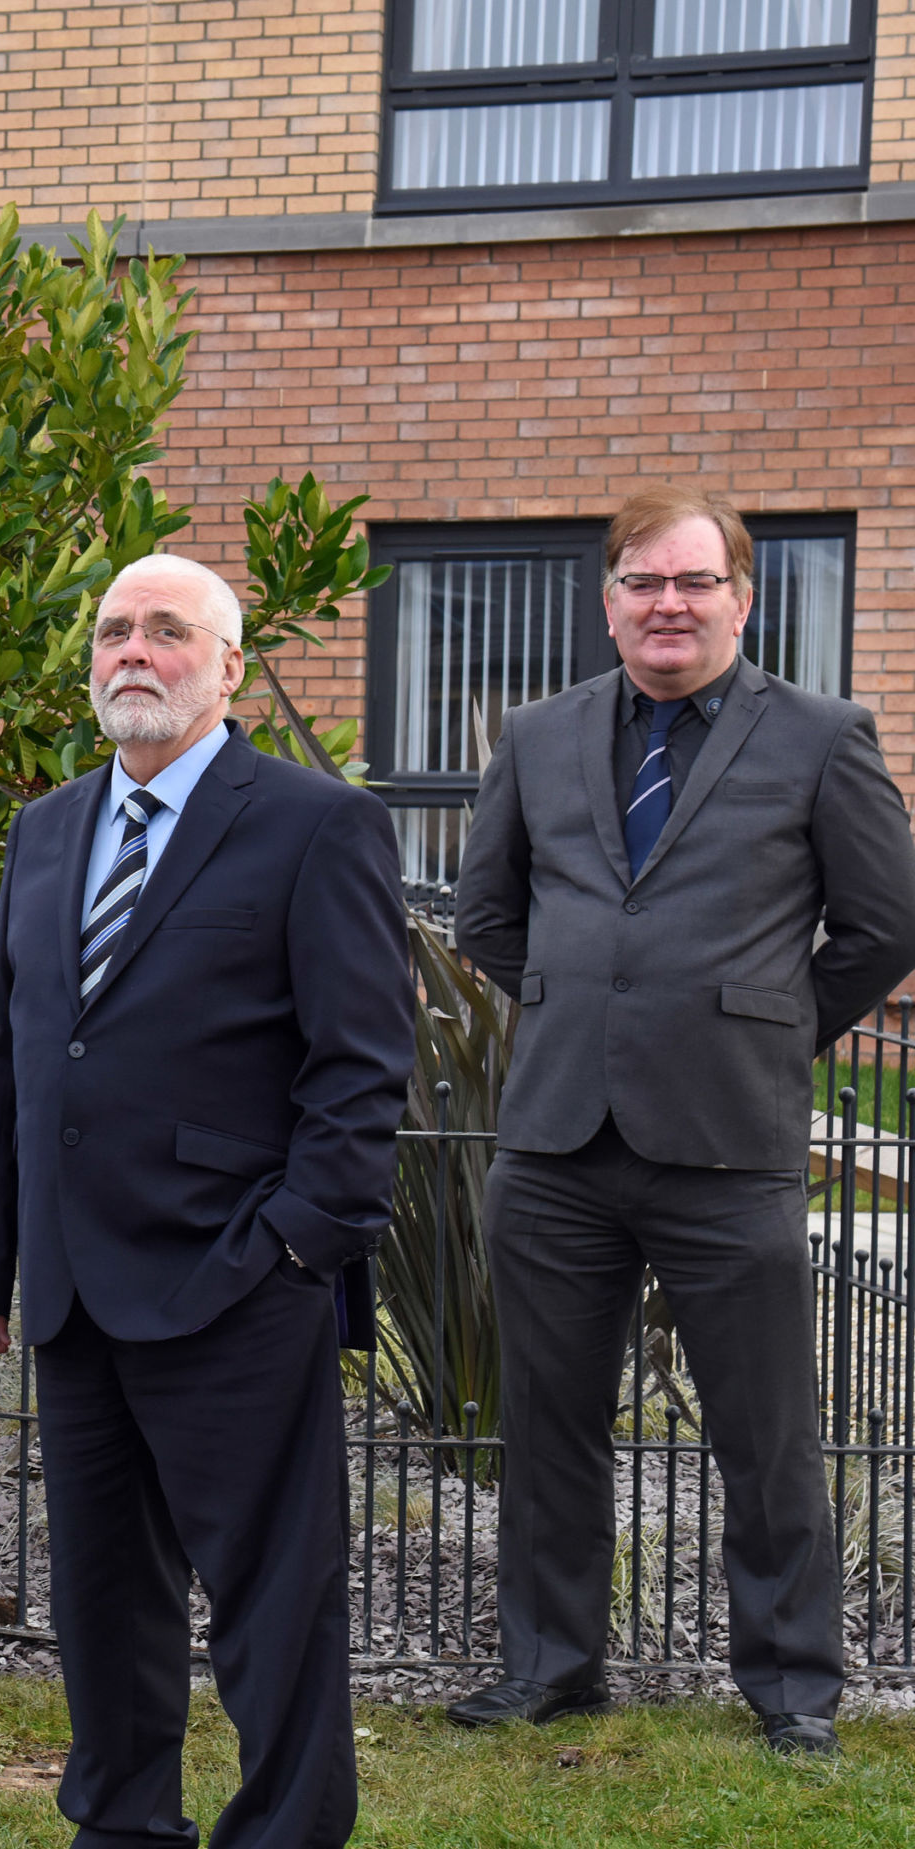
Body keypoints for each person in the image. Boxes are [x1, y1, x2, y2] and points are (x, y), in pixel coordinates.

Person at [0, 553, 413, 1848]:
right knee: (103, 1598)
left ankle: (285, 1830)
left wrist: (295, 1244)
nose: (133, 653)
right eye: (111, 632)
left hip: (238, 1283)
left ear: (229, 667)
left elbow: (362, 1068)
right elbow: (8, 1055)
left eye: (166, 632)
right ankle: (124, 1823)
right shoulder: (47, 830)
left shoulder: (317, 824)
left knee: (274, 1602)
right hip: (76, 1289)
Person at [449, 488, 915, 1755]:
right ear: (607, 604)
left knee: (764, 1434)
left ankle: (792, 1688)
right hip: (553, 1147)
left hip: (728, 1144)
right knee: (548, 1423)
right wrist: (577, 1008)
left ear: (740, 599)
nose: (668, 605)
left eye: (694, 584)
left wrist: (761, 1022)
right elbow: (487, 915)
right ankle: (551, 1665)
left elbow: (885, 925)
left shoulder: (821, 736)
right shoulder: (537, 735)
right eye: (644, 583)